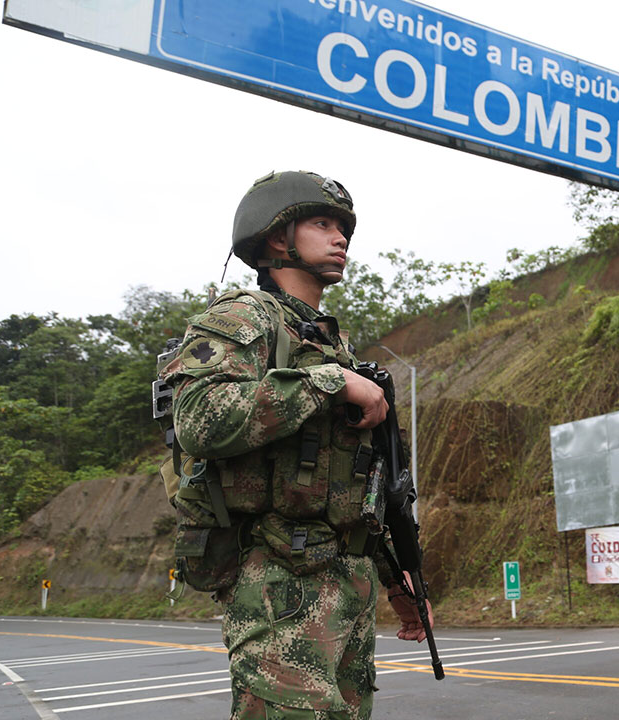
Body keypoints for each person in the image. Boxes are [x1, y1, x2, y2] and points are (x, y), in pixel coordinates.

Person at [163, 170, 432, 719]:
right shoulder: (243, 317)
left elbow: (371, 485)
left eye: (344, 229)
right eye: (322, 223)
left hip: (349, 585)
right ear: (275, 238)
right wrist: (329, 383)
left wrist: (400, 579)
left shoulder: (333, 344)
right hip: (279, 582)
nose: (341, 239)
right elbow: (198, 419)